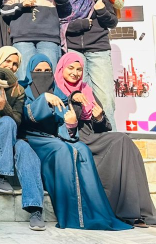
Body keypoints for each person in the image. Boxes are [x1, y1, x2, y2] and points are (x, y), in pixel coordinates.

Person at [21, 54, 131, 231]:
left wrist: (71, 124)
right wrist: (43, 100)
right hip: (34, 138)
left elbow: (65, 125)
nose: (43, 74)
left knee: (82, 149)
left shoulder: (58, 92)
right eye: (38, 70)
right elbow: (24, 117)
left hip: (55, 137)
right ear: (30, 71)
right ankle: (71, 214)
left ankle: (95, 212)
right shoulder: (23, 90)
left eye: (47, 70)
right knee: (63, 150)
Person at [54, 53, 155, 226]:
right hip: (72, 138)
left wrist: (99, 117)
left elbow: (103, 126)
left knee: (124, 142)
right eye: (70, 68)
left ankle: (138, 211)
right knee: (121, 141)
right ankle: (128, 211)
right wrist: (72, 98)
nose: (75, 73)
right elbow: (56, 122)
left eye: (79, 69)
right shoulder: (55, 89)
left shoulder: (86, 89)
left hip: (91, 136)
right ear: (62, 68)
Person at [0, 46, 45, 231]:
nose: (11, 67)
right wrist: (5, 74)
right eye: (8, 61)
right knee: (5, 123)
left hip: (8, 137)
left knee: (25, 148)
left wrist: (5, 108)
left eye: (15, 64)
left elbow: (17, 121)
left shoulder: (18, 91)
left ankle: (35, 208)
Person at [60, 0, 118, 126]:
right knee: (81, 97)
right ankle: (87, 135)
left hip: (98, 49)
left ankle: (110, 135)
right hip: (73, 51)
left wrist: (101, 10)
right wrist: (78, 25)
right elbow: (57, 24)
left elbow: (113, 22)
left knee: (105, 97)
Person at [1, 0, 69, 77]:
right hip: (23, 39)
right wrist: (21, 5)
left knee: (48, 77)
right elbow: (4, 11)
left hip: (49, 39)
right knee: (24, 77)